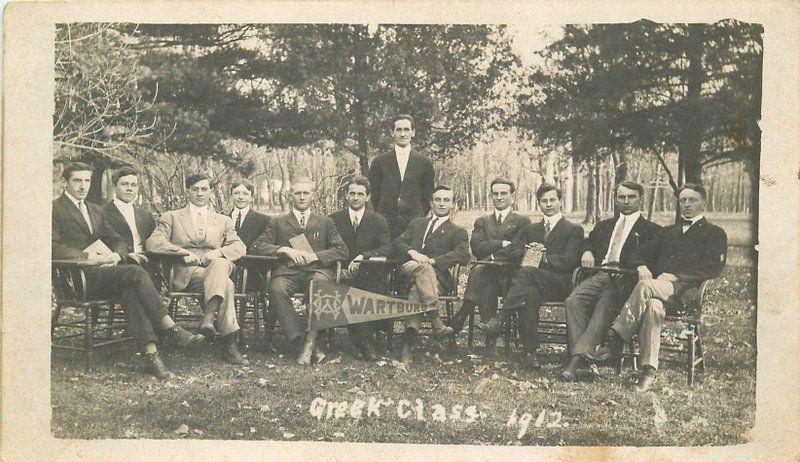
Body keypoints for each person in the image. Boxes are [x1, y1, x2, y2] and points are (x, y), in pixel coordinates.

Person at [53, 162, 203, 380]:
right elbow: (52, 245)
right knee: (135, 272)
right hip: (76, 278)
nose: (83, 185)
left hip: (103, 274)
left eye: (87, 180)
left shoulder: (94, 210)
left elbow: (116, 239)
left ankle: (152, 357)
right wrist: (85, 256)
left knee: (131, 291)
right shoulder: (54, 209)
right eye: (77, 180)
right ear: (65, 182)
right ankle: (169, 327)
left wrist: (115, 255)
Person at [607, 183, 727, 392]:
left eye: (693, 200)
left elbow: (713, 267)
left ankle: (616, 336)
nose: (687, 205)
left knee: (645, 287)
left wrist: (676, 275)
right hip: (659, 293)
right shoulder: (668, 232)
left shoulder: (714, 233)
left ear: (704, 204)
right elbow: (638, 254)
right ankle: (648, 371)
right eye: (683, 200)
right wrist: (642, 266)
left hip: (686, 292)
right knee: (653, 306)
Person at [560, 181, 662, 381]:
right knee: (573, 301)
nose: (625, 201)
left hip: (626, 279)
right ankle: (583, 357)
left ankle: (577, 360)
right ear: (615, 199)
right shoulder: (605, 225)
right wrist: (587, 251)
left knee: (605, 303)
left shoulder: (652, 230)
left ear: (641, 199)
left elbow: (652, 260)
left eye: (631, 197)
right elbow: (588, 241)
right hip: (600, 273)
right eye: (621, 197)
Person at [146, 173, 249, 366]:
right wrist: (181, 252)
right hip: (187, 272)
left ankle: (209, 320)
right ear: (188, 192)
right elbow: (153, 242)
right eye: (195, 189)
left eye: (204, 189)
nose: (200, 193)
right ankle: (228, 342)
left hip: (213, 266)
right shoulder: (171, 217)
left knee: (220, 266)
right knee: (226, 284)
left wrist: (218, 252)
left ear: (211, 192)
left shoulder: (223, 220)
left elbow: (239, 246)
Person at [479, 183, 583, 370]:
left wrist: (543, 257)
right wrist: (528, 251)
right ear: (539, 204)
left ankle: (500, 319)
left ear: (560, 201)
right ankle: (530, 352)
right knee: (528, 294)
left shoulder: (573, 229)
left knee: (527, 271)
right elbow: (513, 248)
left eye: (552, 200)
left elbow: (570, 259)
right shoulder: (531, 229)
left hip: (558, 284)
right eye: (544, 201)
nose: (549, 204)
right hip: (531, 284)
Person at [251, 176, 349, 365]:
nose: (302, 197)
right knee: (276, 288)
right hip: (289, 272)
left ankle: (309, 343)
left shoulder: (326, 222)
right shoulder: (278, 221)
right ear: (291, 196)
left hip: (318, 271)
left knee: (319, 287)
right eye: (298, 193)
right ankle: (302, 341)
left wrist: (316, 256)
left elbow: (342, 250)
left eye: (306, 193)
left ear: (313, 195)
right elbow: (258, 246)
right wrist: (284, 249)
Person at [448, 178, 531, 354]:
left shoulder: (522, 221)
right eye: (495, 194)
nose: (499, 197)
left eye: (504, 193)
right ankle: (490, 342)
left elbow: (517, 250)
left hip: (510, 274)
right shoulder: (482, 221)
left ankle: (466, 309)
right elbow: (477, 248)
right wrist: (502, 243)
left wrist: (492, 252)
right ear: (491, 196)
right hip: (488, 273)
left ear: (512, 196)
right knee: (486, 283)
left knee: (479, 270)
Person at [394, 185, 470, 366]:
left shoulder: (457, 231)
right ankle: (436, 322)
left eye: (446, 200)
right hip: (408, 271)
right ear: (431, 203)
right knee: (421, 268)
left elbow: (463, 254)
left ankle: (408, 344)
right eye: (438, 199)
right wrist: (413, 253)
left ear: (453, 205)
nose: (441, 204)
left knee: (419, 284)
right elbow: (398, 242)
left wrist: (433, 261)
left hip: (437, 279)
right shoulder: (416, 223)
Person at [329, 176, 393, 360]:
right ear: (346, 196)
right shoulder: (334, 219)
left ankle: (362, 341)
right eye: (352, 194)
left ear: (367, 197)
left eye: (360, 194)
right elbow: (328, 246)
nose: (356, 198)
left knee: (367, 286)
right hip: (340, 271)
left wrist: (364, 257)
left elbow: (386, 247)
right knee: (349, 288)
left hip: (368, 271)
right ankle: (365, 343)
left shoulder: (378, 220)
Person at [368, 114, 436, 238]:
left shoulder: (424, 162)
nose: (403, 134)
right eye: (398, 130)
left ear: (413, 132)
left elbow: (427, 194)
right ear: (392, 133)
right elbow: (374, 192)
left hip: (414, 221)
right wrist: (384, 212)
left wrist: (418, 214)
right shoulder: (379, 161)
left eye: (406, 130)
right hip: (387, 222)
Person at [229, 179, 270, 252]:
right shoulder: (221, 218)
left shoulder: (264, 220)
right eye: (236, 193)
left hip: (251, 261)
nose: (241, 197)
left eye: (245, 194)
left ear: (252, 197)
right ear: (231, 195)